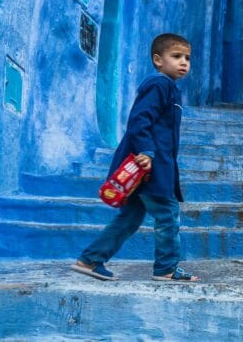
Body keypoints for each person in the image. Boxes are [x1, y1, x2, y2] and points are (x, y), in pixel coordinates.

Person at [70, 33, 199, 282]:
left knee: (130, 217)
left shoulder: (170, 89)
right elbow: (140, 121)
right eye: (176, 56)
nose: (184, 62)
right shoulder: (159, 85)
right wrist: (146, 152)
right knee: (168, 214)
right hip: (149, 166)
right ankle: (166, 268)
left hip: (153, 166)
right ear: (158, 60)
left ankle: (90, 260)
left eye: (187, 58)